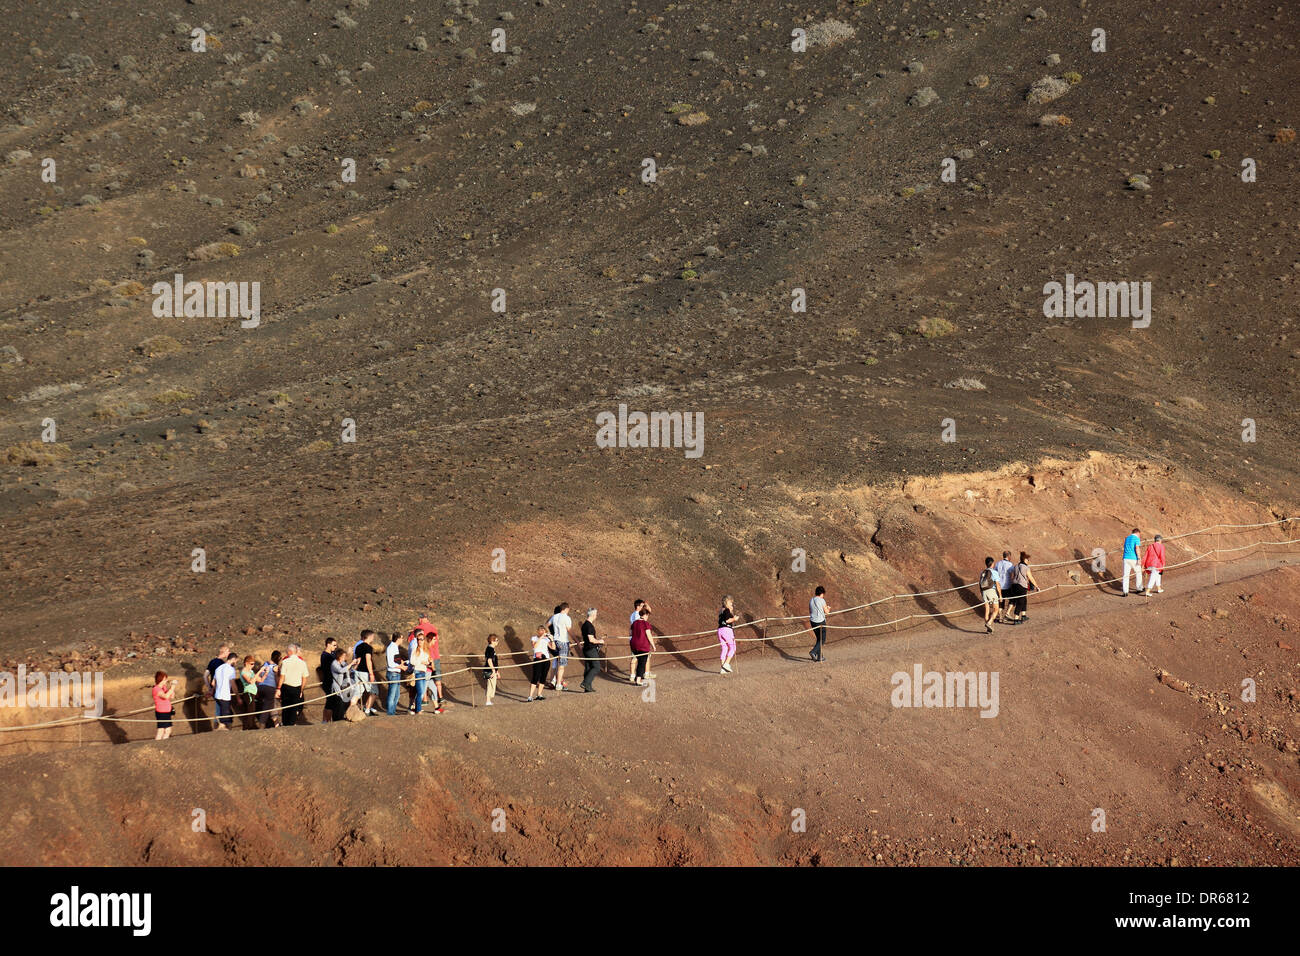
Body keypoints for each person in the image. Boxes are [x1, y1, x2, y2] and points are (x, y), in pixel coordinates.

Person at [277, 643, 310, 726]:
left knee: (285, 707)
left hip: (286, 687)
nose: (286, 653)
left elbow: (282, 677)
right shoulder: (302, 663)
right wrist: (301, 689)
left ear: (290, 652)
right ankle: (291, 724)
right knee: (294, 708)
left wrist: (278, 688)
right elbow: (304, 678)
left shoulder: (285, 662)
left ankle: (285, 724)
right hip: (297, 688)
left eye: (287, 652)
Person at [547, 603, 574, 691]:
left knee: (555, 661)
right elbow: (569, 630)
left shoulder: (554, 617)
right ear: (566, 609)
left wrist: (549, 635)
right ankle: (558, 684)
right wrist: (576, 641)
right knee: (561, 664)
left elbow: (546, 625)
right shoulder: (566, 618)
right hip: (562, 641)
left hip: (554, 641)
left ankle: (554, 680)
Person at [203, 643, 230, 729]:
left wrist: (209, 687)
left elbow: (205, 676)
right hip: (219, 688)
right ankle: (220, 726)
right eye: (228, 651)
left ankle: (218, 725)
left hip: (213, 687)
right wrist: (212, 689)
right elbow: (219, 678)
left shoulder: (212, 661)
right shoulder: (221, 663)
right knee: (222, 706)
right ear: (224, 652)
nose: (229, 653)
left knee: (218, 707)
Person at [353, 630, 379, 715]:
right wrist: (371, 673)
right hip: (365, 672)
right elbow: (368, 660)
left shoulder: (358, 647)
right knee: (374, 691)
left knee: (357, 693)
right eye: (372, 636)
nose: (373, 638)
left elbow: (357, 660)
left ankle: (351, 710)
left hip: (357, 671)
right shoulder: (368, 647)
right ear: (369, 637)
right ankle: (367, 710)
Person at [330, 649, 359, 721]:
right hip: (337, 688)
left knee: (344, 704)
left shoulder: (343, 663)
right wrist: (351, 663)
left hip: (345, 687)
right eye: (343, 656)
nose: (344, 657)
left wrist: (355, 664)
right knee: (338, 704)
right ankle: (336, 720)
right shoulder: (334, 664)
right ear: (339, 656)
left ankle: (342, 717)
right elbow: (341, 670)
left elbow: (349, 669)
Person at [1009, 552, 1039, 622]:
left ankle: (1023, 615)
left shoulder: (1016, 566)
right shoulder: (1026, 567)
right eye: (1028, 560)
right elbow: (1030, 578)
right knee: (1020, 602)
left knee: (1024, 600)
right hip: (1021, 586)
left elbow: (1012, 576)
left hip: (1014, 585)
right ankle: (1016, 619)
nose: (1029, 561)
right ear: (1025, 559)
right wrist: (1037, 586)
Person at [213, 652, 239, 730]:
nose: (236, 663)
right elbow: (233, 684)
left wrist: (214, 690)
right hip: (225, 696)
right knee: (225, 720)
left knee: (227, 714)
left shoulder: (218, 668)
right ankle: (223, 732)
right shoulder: (231, 669)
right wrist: (238, 697)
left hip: (217, 695)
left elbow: (213, 682)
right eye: (236, 661)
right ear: (233, 659)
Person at [580, 608, 604, 692]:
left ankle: (587, 687)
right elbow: (591, 639)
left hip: (586, 648)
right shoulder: (589, 626)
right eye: (596, 614)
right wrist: (599, 641)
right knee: (596, 667)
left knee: (588, 667)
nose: (596, 616)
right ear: (593, 615)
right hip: (590, 649)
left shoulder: (584, 625)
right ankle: (586, 683)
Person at [255, 651, 281, 728]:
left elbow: (259, 675)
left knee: (265, 704)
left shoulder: (265, 664)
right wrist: (278, 688)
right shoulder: (275, 666)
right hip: (270, 688)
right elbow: (276, 678)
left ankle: (272, 723)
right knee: (270, 704)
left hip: (261, 686)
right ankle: (263, 723)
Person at [527, 625, 553, 701]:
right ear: (538, 631)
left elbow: (553, 648)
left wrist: (552, 640)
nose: (542, 632)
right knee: (535, 676)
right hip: (537, 659)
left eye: (543, 630)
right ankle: (530, 696)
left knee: (543, 677)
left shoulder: (546, 639)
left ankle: (539, 694)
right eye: (541, 630)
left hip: (546, 659)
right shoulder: (534, 638)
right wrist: (541, 637)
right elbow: (534, 646)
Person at [384, 632, 407, 716]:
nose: (402, 640)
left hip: (396, 673)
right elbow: (390, 664)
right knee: (392, 694)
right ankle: (390, 713)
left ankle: (392, 711)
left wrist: (401, 663)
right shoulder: (391, 648)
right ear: (397, 639)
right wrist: (401, 667)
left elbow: (395, 660)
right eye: (401, 638)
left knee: (396, 695)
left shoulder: (395, 647)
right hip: (393, 673)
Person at [630, 607, 654, 685]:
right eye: (647, 615)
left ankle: (636, 677)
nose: (647, 617)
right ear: (645, 615)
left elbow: (630, 633)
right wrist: (653, 645)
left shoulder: (634, 623)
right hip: (642, 646)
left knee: (638, 661)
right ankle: (638, 680)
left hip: (634, 645)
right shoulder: (645, 624)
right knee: (642, 663)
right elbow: (649, 635)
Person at [408, 632, 431, 715]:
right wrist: (421, 662)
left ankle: (417, 708)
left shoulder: (425, 650)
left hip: (423, 671)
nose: (419, 641)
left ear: (424, 640)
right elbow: (412, 661)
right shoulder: (415, 649)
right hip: (417, 672)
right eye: (418, 639)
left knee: (421, 691)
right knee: (420, 692)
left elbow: (428, 660)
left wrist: (427, 662)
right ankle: (418, 709)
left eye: (421, 639)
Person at [978, 557, 1001, 633]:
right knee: (996, 609)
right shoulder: (994, 572)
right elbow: (997, 585)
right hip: (991, 591)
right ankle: (989, 623)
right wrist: (1000, 595)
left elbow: (980, 584)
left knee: (987, 610)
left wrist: (982, 593)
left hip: (984, 592)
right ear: (993, 563)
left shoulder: (983, 572)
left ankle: (988, 629)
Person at [152, 671, 177, 741]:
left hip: (166, 712)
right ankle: (159, 744)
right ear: (161, 679)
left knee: (167, 730)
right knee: (161, 730)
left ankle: (163, 744)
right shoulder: (156, 689)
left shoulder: (164, 687)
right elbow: (165, 696)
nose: (166, 680)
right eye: (165, 679)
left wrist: (172, 688)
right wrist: (172, 688)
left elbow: (171, 696)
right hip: (161, 712)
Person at [237, 656, 261, 729]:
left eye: (253, 664)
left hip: (253, 693)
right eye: (251, 664)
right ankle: (249, 727)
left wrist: (265, 672)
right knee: (250, 711)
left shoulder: (251, 671)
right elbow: (250, 681)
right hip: (248, 693)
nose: (253, 666)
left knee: (251, 710)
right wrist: (259, 671)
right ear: (246, 663)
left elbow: (260, 680)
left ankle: (249, 727)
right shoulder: (243, 672)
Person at [717, 596, 739, 675]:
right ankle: (726, 664)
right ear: (726, 603)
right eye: (730, 603)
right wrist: (734, 619)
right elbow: (727, 620)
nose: (732, 604)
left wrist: (731, 614)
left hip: (720, 631)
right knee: (733, 647)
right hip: (727, 630)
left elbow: (722, 620)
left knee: (725, 648)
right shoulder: (726, 610)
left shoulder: (721, 611)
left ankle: (723, 668)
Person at [319, 637, 339, 722]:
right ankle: (326, 721)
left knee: (331, 702)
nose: (335, 647)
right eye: (334, 645)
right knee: (330, 702)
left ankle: (326, 720)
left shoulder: (332, 654)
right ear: (328, 645)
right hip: (329, 682)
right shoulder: (325, 656)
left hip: (333, 681)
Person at [1122, 528, 1145, 596]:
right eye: (1139, 535)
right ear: (1137, 533)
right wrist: (1139, 558)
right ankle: (1139, 588)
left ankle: (1125, 591)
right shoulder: (1136, 538)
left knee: (1126, 575)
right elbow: (1137, 548)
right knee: (1138, 573)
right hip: (1133, 558)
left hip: (1126, 558)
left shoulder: (1127, 538)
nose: (1139, 536)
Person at [993, 552, 1015, 623]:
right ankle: (1007, 613)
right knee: (1013, 599)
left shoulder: (997, 563)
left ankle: (1000, 617)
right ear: (1009, 556)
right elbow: (1012, 575)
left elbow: (995, 573)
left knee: (1001, 601)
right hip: (1007, 585)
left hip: (999, 586)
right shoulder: (1010, 564)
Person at [809, 586, 829, 662]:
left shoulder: (811, 600)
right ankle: (813, 652)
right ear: (822, 593)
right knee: (822, 640)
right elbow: (826, 612)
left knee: (819, 639)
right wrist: (828, 608)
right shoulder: (821, 600)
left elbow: (810, 611)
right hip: (820, 622)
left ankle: (820, 657)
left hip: (813, 621)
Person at [483, 634, 500, 706]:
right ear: (492, 641)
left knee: (490, 685)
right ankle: (488, 701)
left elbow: (494, 661)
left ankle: (488, 701)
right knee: (491, 686)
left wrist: (497, 671)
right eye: (496, 640)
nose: (498, 642)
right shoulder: (490, 649)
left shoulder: (491, 649)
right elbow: (489, 660)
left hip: (491, 670)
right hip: (489, 670)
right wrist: (493, 671)